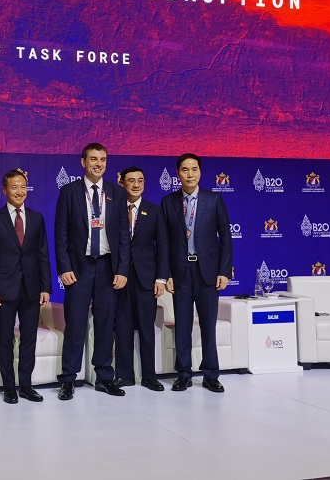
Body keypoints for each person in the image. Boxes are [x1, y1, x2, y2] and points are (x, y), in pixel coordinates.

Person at [54, 142, 130, 400]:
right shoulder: (69, 192)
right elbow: (61, 234)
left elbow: (123, 235)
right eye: (94, 159)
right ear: (83, 162)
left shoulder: (116, 192)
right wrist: (64, 267)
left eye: (103, 159)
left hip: (108, 266)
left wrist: (122, 269)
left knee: (106, 323)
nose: (99, 164)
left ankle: (104, 377)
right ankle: (68, 379)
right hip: (79, 267)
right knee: (75, 323)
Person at [158, 153, 233, 393]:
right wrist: (166, 274)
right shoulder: (168, 202)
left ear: (200, 172)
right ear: (177, 174)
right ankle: (184, 374)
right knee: (182, 325)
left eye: (194, 169)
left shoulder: (214, 199)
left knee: (208, 325)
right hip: (180, 272)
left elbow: (226, 237)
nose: (190, 174)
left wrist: (224, 271)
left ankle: (211, 375)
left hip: (207, 272)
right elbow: (164, 242)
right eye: (185, 170)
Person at [0, 169, 51, 404]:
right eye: (14, 187)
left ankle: (26, 385)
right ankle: (9, 387)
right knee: (5, 339)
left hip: (31, 288)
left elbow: (43, 254)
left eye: (23, 187)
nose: (19, 191)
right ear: (5, 190)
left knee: (29, 337)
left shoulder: (37, 218)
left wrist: (45, 287)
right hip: (4, 289)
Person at [114, 166, 168, 391]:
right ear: (122, 183)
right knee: (122, 327)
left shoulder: (154, 211)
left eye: (140, 180)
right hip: (119, 278)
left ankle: (149, 376)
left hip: (146, 278)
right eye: (131, 180)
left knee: (147, 328)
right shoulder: (113, 209)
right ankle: (124, 375)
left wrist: (161, 278)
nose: (136, 185)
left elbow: (163, 246)